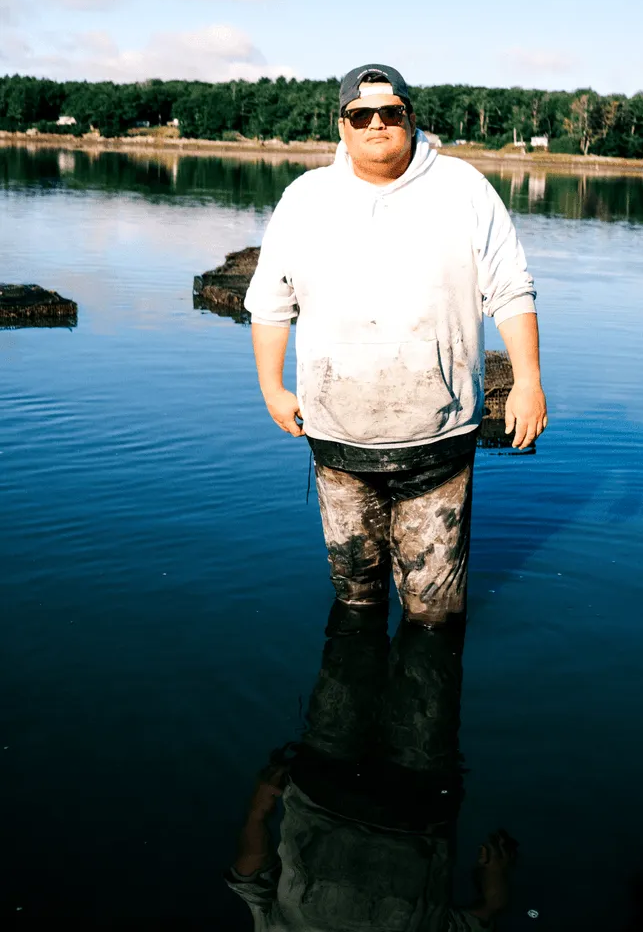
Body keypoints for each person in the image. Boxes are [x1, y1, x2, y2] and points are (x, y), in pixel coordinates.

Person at [244, 64, 546, 625]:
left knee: (434, 619)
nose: (376, 123)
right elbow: (270, 301)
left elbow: (511, 287)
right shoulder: (305, 197)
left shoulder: (464, 189)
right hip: (336, 437)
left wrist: (527, 382)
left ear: (410, 118)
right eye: (361, 115)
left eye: (391, 113)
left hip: (439, 440)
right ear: (342, 126)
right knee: (355, 606)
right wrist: (271, 386)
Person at [225, 602, 518, 930]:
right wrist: (494, 880)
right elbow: (485, 913)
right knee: (416, 647)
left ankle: (383, 601)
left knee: (387, 647)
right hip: (410, 805)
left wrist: (258, 809)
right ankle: (405, 606)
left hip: (341, 792)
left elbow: (250, 876)